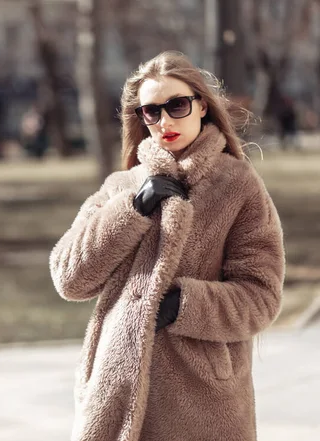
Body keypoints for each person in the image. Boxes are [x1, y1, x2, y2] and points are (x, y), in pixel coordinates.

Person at [49, 51, 285, 441]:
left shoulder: (237, 185)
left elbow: (261, 297)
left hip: (203, 402)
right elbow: (68, 278)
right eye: (151, 112)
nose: (165, 122)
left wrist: (182, 305)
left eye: (176, 106)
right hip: (113, 395)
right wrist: (133, 209)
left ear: (201, 106)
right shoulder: (121, 187)